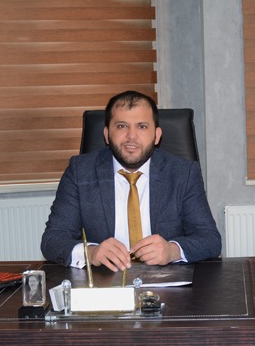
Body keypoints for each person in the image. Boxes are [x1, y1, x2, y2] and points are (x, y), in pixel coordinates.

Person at [41, 91, 221, 272]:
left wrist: (172, 251)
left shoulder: (183, 173)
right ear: (106, 134)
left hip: (165, 279)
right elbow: (52, 239)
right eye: (121, 126)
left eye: (142, 126)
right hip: (105, 280)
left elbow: (209, 239)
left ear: (157, 135)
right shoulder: (80, 172)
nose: (131, 136)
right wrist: (91, 252)